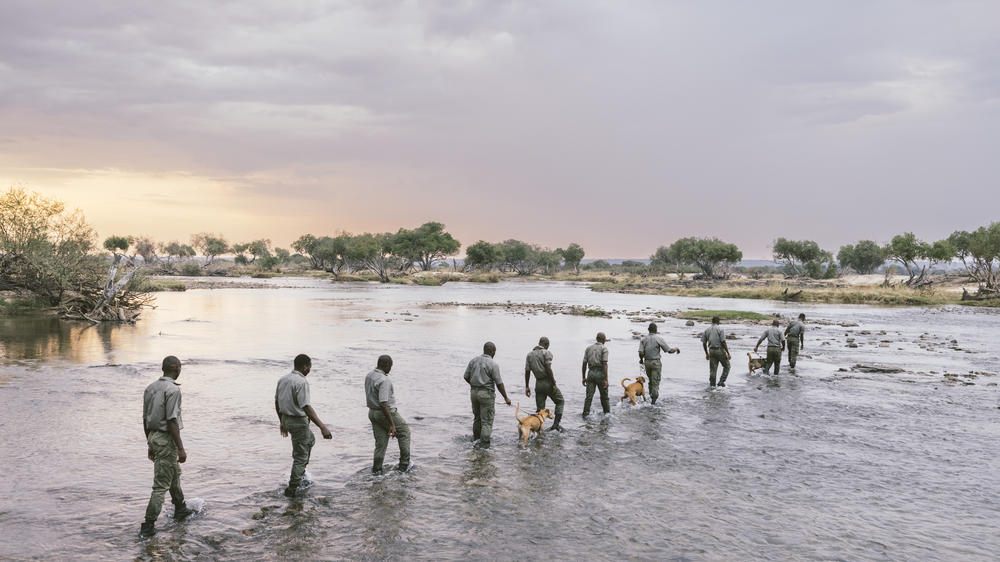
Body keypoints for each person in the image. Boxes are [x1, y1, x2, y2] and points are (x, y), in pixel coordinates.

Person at [140, 356, 194, 538]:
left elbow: (145, 419)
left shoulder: (150, 388)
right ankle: (147, 526)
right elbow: (172, 420)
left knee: (173, 473)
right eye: (180, 367)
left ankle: (180, 508)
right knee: (161, 485)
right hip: (166, 438)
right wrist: (180, 447)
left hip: (154, 436)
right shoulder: (173, 390)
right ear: (176, 369)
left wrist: (150, 443)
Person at [275, 354, 333, 497]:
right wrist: (322, 427)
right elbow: (306, 407)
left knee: (310, 440)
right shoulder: (301, 382)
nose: (309, 370)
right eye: (309, 367)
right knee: (300, 456)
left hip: (287, 419)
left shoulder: (283, 379)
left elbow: (277, 402)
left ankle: (300, 472)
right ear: (305, 366)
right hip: (298, 422)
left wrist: (282, 421)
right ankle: (292, 488)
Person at [365, 355, 411, 473]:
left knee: (381, 443)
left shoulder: (370, 375)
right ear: (386, 365)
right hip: (384, 412)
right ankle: (404, 465)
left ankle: (377, 469)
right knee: (404, 432)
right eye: (390, 366)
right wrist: (392, 424)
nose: (390, 369)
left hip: (372, 413)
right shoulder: (384, 380)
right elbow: (383, 403)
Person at [464, 342, 511, 448]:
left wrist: (475, 385)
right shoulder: (493, 364)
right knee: (487, 421)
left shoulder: (473, 361)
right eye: (495, 351)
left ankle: (476, 440)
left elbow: (466, 376)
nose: (495, 353)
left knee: (477, 418)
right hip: (486, 394)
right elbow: (499, 383)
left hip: (474, 393)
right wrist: (506, 398)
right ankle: (484, 445)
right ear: (491, 351)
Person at [524, 336, 564, 431]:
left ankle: (537, 430)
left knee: (540, 410)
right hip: (547, 382)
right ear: (546, 344)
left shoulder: (529, 355)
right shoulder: (546, 352)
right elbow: (548, 369)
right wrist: (553, 383)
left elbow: (527, 371)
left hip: (538, 384)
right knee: (560, 401)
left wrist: (527, 386)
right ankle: (556, 425)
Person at [637, 323, 680, 403]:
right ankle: (653, 402)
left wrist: (641, 360)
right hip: (656, 363)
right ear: (656, 330)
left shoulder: (643, 339)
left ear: (648, 329)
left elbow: (640, 352)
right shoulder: (658, 338)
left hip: (647, 363)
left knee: (651, 380)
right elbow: (669, 351)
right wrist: (676, 348)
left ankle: (651, 397)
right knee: (655, 382)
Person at [581, 332, 610, 416]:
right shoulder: (604, 349)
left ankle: (585, 414)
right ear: (603, 340)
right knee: (604, 396)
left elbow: (584, 363)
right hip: (600, 373)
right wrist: (606, 379)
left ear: (596, 339)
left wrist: (583, 377)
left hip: (590, 374)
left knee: (589, 397)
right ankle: (607, 414)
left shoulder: (588, 348)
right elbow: (604, 364)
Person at [701, 316, 732, 387]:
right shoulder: (720, 329)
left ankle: (712, 386)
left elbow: (704, 343)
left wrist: (706, 354)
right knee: (727, 366)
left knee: (713, 370)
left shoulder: (707, 330)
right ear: (718, 321)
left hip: (711, 351)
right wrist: (728, 353)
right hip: (719, 350)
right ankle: (721, 381)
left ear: (712, 321)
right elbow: (723, 342)